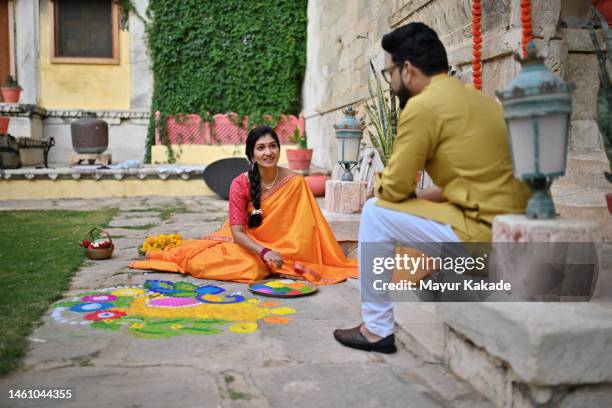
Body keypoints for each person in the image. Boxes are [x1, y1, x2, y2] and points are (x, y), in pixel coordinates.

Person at [333, 23, 531, 353]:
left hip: (483, 238)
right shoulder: (478, 101)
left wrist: (378, 189)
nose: (392, 84)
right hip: (512, 228)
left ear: (407, 70)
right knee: (390, 209)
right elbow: (472, 182)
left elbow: (394, 188)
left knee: (375, 213)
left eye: (389, 74)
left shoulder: (423, 106)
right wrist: (416, 196)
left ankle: (376, 328)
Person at [130, 126, 357, 284]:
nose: (268, 152)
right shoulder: (240, 184)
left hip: (288, 247)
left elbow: (307, 228)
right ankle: (164, 255)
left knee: (260, 267)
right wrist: (265, 250)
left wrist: (286, 251)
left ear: (279, 148)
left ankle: (275, 261)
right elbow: (237, 232)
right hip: (247, 243)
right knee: (239, 266)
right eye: (261, 148)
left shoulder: (295, 182)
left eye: (272, 146)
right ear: (252, 154)